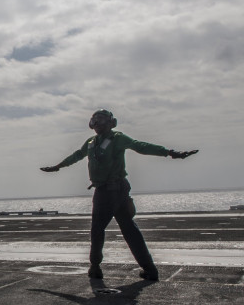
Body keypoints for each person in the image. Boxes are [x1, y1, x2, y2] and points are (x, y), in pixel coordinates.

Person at [40, 109, 198, 281]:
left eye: (101, 120)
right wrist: (59, 166)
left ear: (110, 123)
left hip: (113, 191)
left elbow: (141, 146)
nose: (98, 124)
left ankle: (96, 267)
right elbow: (77, 155)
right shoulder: (91, 142)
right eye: (96, 121)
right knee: (127, 229)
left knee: (101, 230)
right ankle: (148, 269)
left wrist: (169, 152)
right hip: (107, 190)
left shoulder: (118, 138)